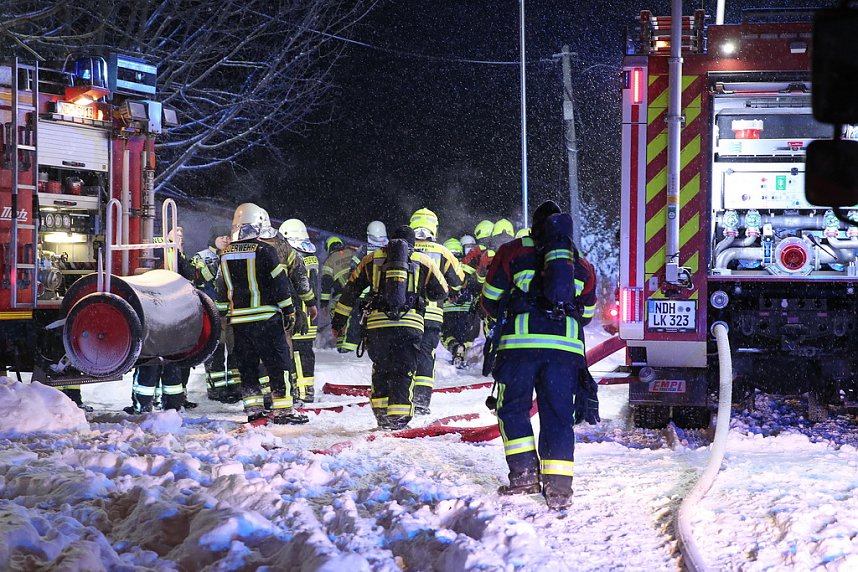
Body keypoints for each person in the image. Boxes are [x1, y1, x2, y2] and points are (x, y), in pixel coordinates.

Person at [480, 201, 597, 510]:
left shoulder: (513, 252)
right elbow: (586, 314)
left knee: (513, 409)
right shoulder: (581, 264)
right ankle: (559, 489)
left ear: (533, 226)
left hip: (519, 350)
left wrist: (518, 305)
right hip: (565, 353)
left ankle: (524, 477)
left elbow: (489, 300)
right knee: (558, 416)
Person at [331, 225, 448, 430]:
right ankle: (399, 419)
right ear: (412, 243)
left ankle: (382, 416)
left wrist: (338, 322)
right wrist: (420, 292)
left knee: (382, 369)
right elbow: (441, 291)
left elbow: (350, 292)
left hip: (378, 324)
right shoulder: (423, 260)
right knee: (404, 370)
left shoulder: (371, 259)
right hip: (410, 324)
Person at [216, 203, 308, 425]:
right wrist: (289, 310)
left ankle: (254, 411)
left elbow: (220, 288)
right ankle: (284, 411)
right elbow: (279, 284)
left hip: (239, 322)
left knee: (248, 367)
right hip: (267, 319)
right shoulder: (266, 250)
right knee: (278, 365)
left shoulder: (224, 254)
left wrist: (223, 314)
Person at [409, 208, 464, 414]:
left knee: (404, 355)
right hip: (431, 315)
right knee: (425, 356)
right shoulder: (442, 252)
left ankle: (401, 398)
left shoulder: (403, 248)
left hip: (406, 315)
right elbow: (458, 282)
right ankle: (421, 402)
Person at [191, 225, 241, 403]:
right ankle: (216, 389)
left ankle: (235, 387)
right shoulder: (201, 257)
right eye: (221, 237)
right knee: (215, 351)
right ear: (213, 239)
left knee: (235, 351)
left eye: (228, 236)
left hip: (234, 313)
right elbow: (201, 280)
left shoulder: (236, 255)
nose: (226, 239)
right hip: (213, 314)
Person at [280, 218, 320, 402]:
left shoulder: (295, 259)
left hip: (298, 315)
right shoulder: (312, 257)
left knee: (296, 353)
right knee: (306, 352)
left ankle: (300, 391)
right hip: (311, 315)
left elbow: (295, 288)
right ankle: (307, 389)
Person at [339, 221, 388, 353]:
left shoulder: (364, 250)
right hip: (380, 294)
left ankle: (349, 348)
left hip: (362, 294)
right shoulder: (389, 250)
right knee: (378, 321)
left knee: (355, 321)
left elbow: (354, 269)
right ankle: (375, 346)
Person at [441, 237, 481, 368]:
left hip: (447, 311)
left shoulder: (443, 267)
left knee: (445, 335)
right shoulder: (466, 267)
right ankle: (464, 348)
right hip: (467, 311)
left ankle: (455, 348)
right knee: (467, 336)